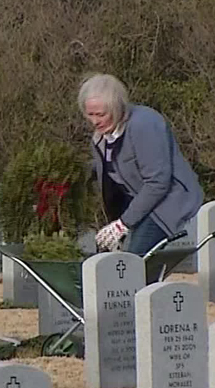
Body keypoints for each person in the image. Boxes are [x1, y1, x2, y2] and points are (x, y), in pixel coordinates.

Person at [81, 73, 204, 255]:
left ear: (117, 107)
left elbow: (158, 182)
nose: (94, 122)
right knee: (112, 261)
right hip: (139, 206)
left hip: (167, 204)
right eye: (89, 114)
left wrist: (123, 224)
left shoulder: (144, 124)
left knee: (134, 262)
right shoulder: (100, 139)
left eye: (100, 114)